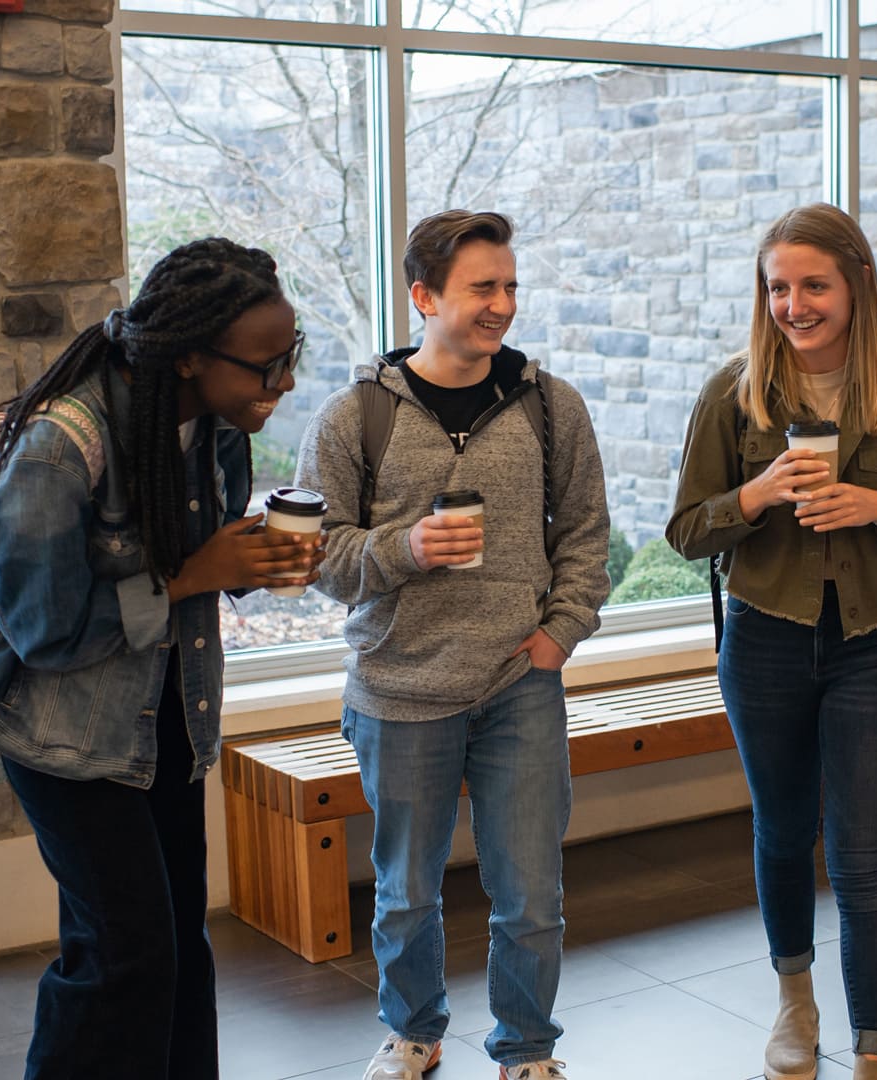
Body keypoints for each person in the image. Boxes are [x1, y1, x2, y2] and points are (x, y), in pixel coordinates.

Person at [0, 238, 316, 1079]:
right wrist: (199, 572)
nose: (283, 385)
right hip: (67, 741)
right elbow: (43, 630)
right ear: (189, 354)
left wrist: (255, 561)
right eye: (265, 367)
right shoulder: (58, 448)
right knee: (121, 959)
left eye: (288, 360)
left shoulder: (210, 425)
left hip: (168, 728)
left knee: (177, 950)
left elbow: (200, 559)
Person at [666, 203, 877, 1080]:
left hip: (875, 643)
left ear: (856, 287)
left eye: (814, 285)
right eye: (778, 287)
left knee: (866, 857)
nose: (795, 305)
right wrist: (758, 494)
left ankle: (875, 1053)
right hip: (763, 641)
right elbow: (688, 533)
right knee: (781, 830)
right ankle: (793, 1003)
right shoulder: (733, 392)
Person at [296, 210, 610, 1080]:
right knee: (405, 896)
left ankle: (526, 1050)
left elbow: (586, 535)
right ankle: (414, 1034)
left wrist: (558, 638)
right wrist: (405, 548)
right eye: (483, 287)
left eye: (510, 286)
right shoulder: (354, 416)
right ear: (425, 296)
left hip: (520, 682)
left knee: (532, 897)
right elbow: (319, 554)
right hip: (398, 691)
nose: (503, 304)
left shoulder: (552, 406)